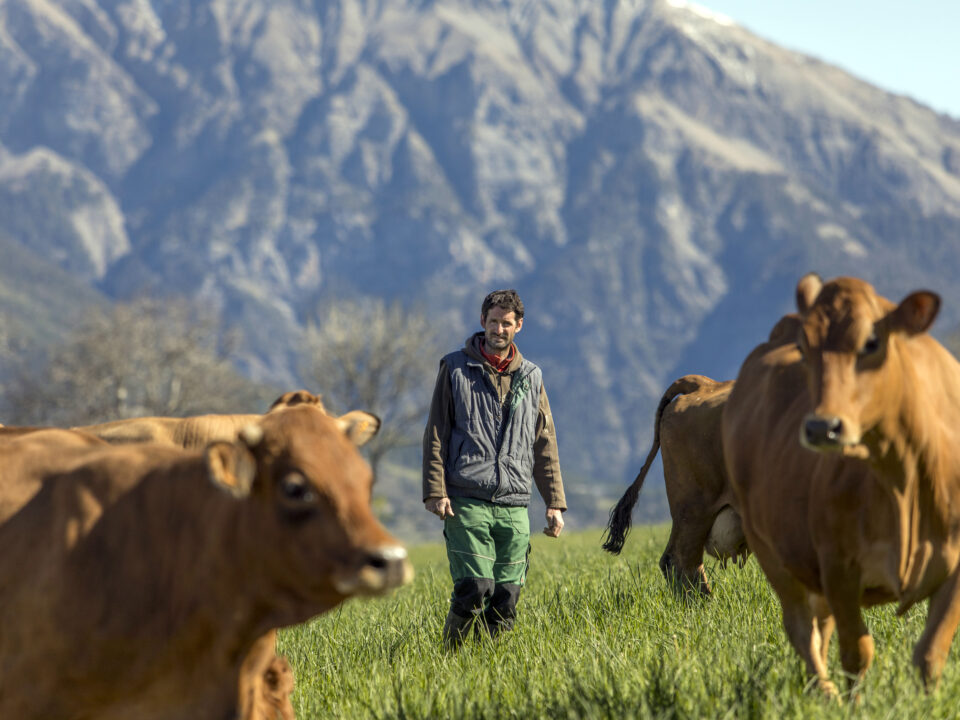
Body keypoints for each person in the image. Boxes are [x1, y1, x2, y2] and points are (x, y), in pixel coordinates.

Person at [422, 289, 566, 648]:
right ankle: (450, 656)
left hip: (515, 502)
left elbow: (544, 441)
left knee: (505, 597)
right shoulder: (455, 368)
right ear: (482, 321)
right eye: (493, 321)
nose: (498, 329)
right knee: (475, 587)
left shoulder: (532, 377)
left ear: (519, 326)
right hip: (467, 496)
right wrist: (435, 490)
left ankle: (490, 663)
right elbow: (437, 431)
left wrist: (554, 502)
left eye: (506, 323)